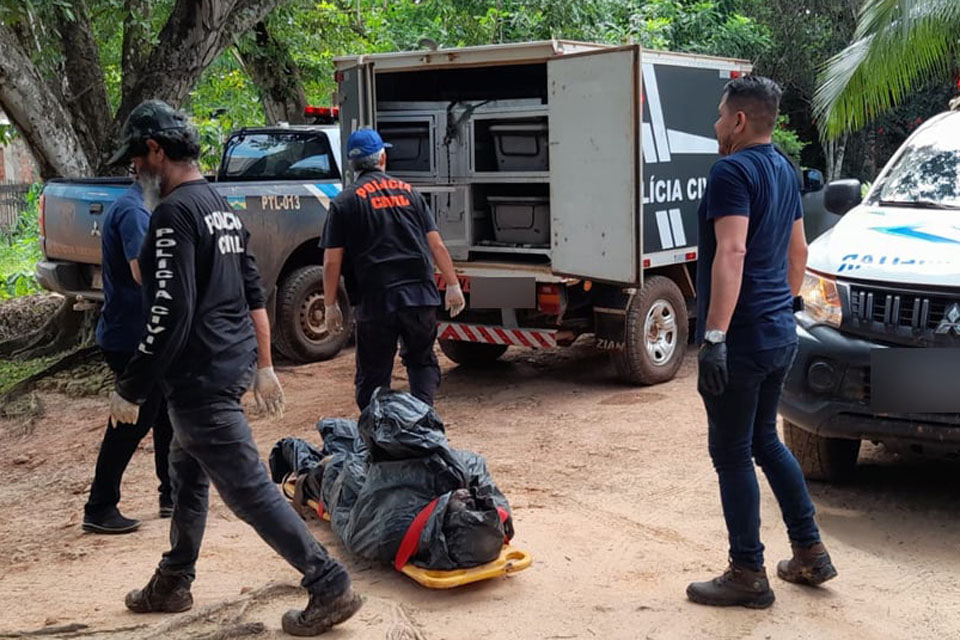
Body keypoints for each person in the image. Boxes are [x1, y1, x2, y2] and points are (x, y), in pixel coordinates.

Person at [106, 100, 361, 636]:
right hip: (224, 365)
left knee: (249, 490)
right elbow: (253, 293)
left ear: (156, 150)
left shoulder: (174, 215)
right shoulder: (222, 208)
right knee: (185, 473)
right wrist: (262, 364)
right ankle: (174, 579)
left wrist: (132, 385)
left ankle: (329, 582)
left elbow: (170, 310)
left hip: (199, 376)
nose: (134, 169)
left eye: (136, 158)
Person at [687, 76, 837, 609]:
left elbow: (732, 253)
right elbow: (799, 252)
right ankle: (810, 551)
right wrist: (783, 305)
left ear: (739, 121)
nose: (715, 126)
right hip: (778, 332)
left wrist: (715, 336)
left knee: (731, 453)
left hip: (743, 337)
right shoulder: (784, 170)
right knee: (765, 442)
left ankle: (747, 571)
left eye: (719, 116)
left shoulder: (730, 171)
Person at [321, 128, 465, 411]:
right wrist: (452, 285)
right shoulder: (410, 193)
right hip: (419, 297)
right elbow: (436, 245)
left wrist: (329, 305)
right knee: (421, 362)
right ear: (382, 158)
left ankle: (377, 429)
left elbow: (331, 262)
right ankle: (423, 421)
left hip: (376, 301)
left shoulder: (344, 203)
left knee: (374, 375)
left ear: (352, 165)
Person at [82, 180, 173, 534]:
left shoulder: (137, 206)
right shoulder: (135, 212)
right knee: (136, 415)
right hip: (130, 336)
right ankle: (100, 506)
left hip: (137, 333)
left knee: (163, 410)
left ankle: (171, 493)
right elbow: (143, 273)